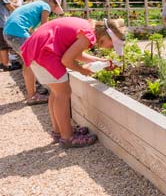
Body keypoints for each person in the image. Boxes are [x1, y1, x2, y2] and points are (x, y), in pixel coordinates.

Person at [21, 17, 127, 148]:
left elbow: (74, 53)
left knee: (56, 93)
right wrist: (82, 70)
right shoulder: (88, 36)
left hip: (38, 49)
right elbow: (67, 60)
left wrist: (99, 61)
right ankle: (68, 137)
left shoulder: (87, 28)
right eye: (111, 45)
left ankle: (59, 131)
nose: (110, 48)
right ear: (106, 37)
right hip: (45, 53)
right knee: (63, 93)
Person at [3, 0, 64, 105]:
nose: (53, 9)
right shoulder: (45, 6)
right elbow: (45, 28)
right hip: (17, 32)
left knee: (28, 62)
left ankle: (32, 93)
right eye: (55, 5)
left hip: (9, 32)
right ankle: (32, 96)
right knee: (30, 63)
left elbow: (32, 30)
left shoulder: (35, 4)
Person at [0, 0, 20, 71]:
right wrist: (19, 11)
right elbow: (8, 5)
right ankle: (7, 64)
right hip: (2, 22)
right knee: (4, 45)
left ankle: (2, 62)